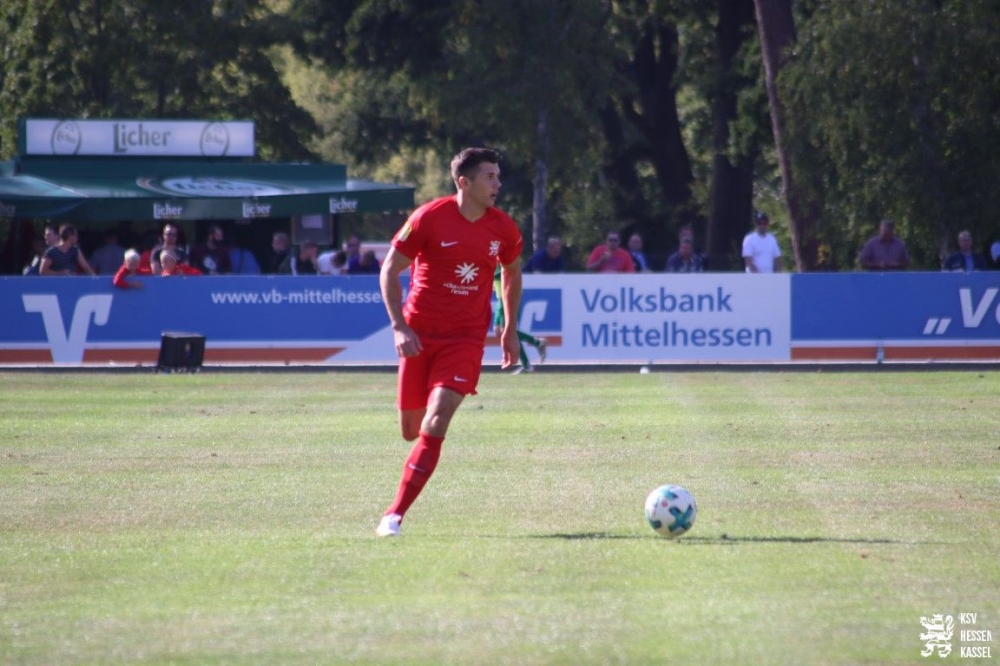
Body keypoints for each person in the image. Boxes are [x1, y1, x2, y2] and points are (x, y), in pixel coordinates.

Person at [376, 147, 523, 538]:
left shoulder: (503, 229)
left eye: (497, 175)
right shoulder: (429, 218)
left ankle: (394, 515)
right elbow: (389, 269)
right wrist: (399, 326)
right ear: (464, 182)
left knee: (437, 419)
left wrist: (509, 328)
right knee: (411, 429)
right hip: (420, 337)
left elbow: (511, 273)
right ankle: (414, 463)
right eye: (489, 176)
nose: (497, 183)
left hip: (465, 339)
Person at [493, 265, 547, 373]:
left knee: (507, 331)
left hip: (509, 297)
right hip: (500, 298)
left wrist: (489, 275)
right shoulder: (490, 257)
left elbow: (509, 272)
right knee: (498, 331)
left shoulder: (500, 255)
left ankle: (527, 364)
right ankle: (536, 343)